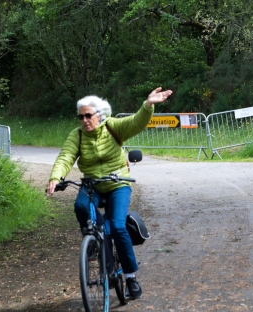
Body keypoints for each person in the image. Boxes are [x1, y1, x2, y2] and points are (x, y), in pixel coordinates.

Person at [46, 87, 173, 300]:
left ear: (99, 115)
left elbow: (135, 122)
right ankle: (91, 240)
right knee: (79, 206)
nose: (84, 120)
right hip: (92, 185)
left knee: (117, 226)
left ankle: (131, 277)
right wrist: (55, 177)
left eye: (88, 115)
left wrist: (148, 105)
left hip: (118, 184)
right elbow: (65, 157)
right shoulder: (77, 136)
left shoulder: (113, 127)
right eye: (81, 116)